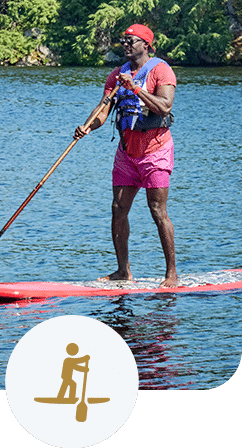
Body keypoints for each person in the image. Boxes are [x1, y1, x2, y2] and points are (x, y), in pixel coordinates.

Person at [74, 24, 178, 288]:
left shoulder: (160, 70)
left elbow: (165, 107)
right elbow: (103, 110)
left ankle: (172, 274)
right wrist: (87, 126)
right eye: (124, 40)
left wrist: (136, 88)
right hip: (126, 153)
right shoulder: (117, 74)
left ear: (146, 45)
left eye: (131, 41)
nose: (126, 44)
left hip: (156, 151)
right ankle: (123, 271)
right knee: (118, 208)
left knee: (157, 210)